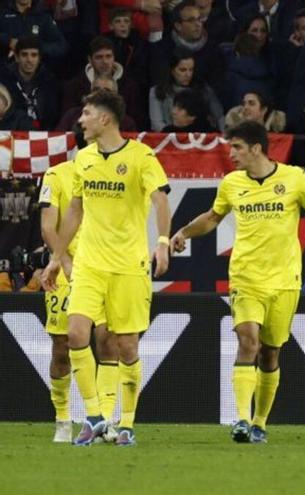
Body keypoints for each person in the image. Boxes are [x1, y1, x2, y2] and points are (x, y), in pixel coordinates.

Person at [170, 120, 305, 443]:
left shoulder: (294, 179)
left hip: (284, 281)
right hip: (245, 276)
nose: (231, 154)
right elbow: (213, 218)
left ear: (256, 148)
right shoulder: (231, 184)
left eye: (237, 147)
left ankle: (259, 422)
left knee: (269, 354)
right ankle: (240, 419)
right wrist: (184, 232)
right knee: (247, 341)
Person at [41, 89, 172, 447]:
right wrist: (56, 257)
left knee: (126, 345)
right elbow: (75, 210)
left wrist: (162, 242)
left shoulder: (142, 157)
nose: (79, 120)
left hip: (128, 265)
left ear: (105, 119)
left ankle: (126, 422)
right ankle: (96, 416)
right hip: (89, 264)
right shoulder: (83, 159)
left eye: (85, 113)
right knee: (76, 334)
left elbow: (160, 198)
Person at [39, 147, 121, 444]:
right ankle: (62, 418)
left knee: (109, 338)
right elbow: (48, 226)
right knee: (63, 345)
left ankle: (104, 420)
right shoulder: (56, 174)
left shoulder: (111, 176)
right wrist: (64, 262)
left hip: (105, 268)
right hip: (64, 269)